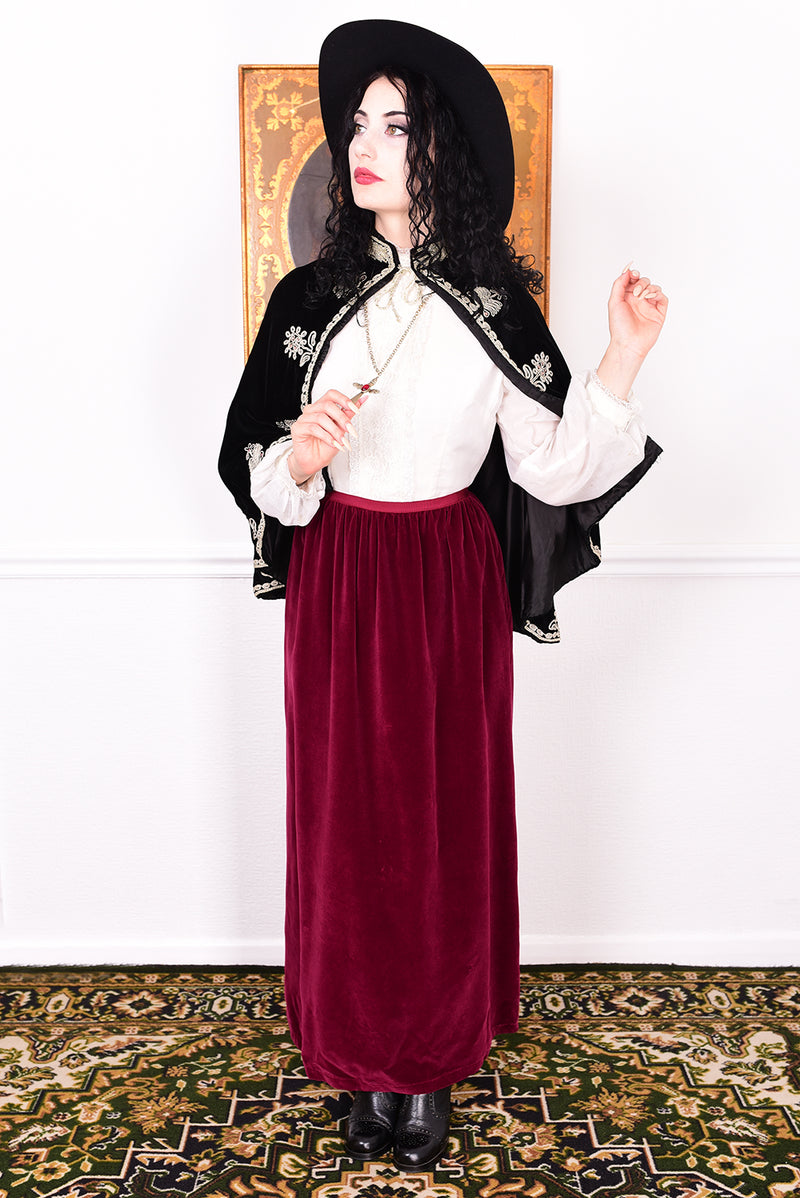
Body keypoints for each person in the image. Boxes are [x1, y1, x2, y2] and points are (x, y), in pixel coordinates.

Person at [219, 19, 666, 1174]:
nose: (362, 145)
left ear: (443, 149)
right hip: (342, 572)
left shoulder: (496, 303)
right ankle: (360, 1054)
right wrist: (302, 458)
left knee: (438, 819)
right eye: (354, 124)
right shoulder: (304, 301)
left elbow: (553, 469)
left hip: (446, 577)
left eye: (394, 124)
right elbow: (253, 470)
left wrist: (620, 358)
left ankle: (424, 1066)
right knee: (345, 820)